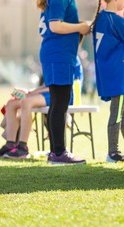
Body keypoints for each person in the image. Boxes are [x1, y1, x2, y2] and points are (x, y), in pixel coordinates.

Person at [37, 0, 90, 164]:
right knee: (60, 104)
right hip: (59, 56)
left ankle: (56, 152)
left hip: (59, 55)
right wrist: (80, 27)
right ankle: (59, 152)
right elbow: (55, 25)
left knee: (57, 104)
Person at [0, 58, 82, 159]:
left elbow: (58, 87)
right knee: (11, 103)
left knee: (27, 101)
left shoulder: (67, 57)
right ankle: (10, 144)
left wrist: (30, 93)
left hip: (63, 95)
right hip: (47, 92)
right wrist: (29, 92)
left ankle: (22, 147)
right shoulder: (51, 58)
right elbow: (46, 85)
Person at [92, 0, 124, 163]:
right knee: (117, 114)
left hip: (109, 72)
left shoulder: (101, 18)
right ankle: (113, 151)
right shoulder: (114, 19)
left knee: (123, 114)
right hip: (117, 73)